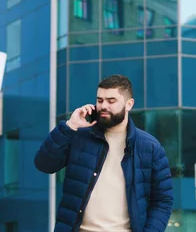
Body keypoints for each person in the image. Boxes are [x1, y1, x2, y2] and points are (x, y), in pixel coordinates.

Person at [34, 74, 173, 232]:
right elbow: (44, 164)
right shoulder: (79, 136)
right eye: (100, 100)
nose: (103, 106)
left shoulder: (150, 147)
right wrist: (69, 126)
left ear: (129, 104)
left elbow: (163, 201)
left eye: (111, 101)